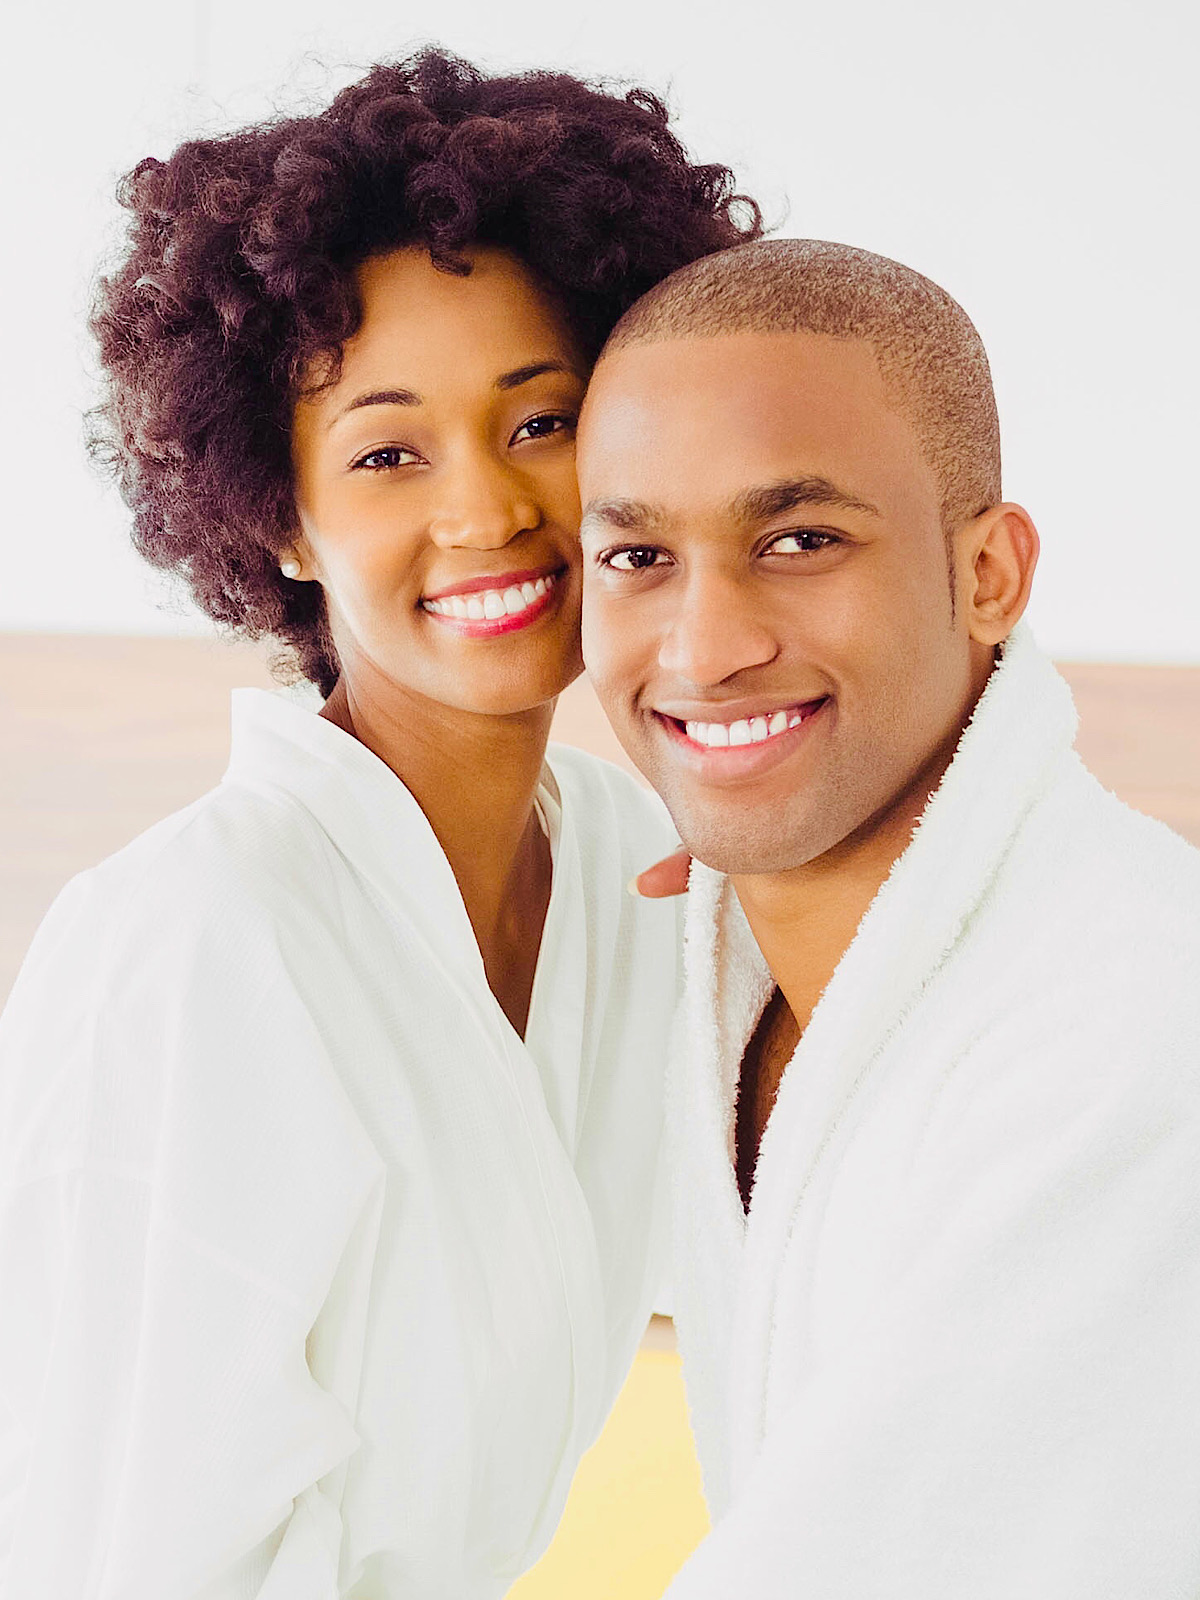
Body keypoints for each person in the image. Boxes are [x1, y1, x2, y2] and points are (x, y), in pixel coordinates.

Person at [0, 51, 761, 1599]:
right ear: (276, 515)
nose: (486, 511)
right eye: (388, 453)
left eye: (541, 423)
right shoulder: (189, 947)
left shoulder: (645, 881)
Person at [576, 237, 1200, 1597]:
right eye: (636, 554)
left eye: (800, 540)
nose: (701, 646)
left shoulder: (1133, 1035)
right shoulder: (728, 960)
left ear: (989, 574)